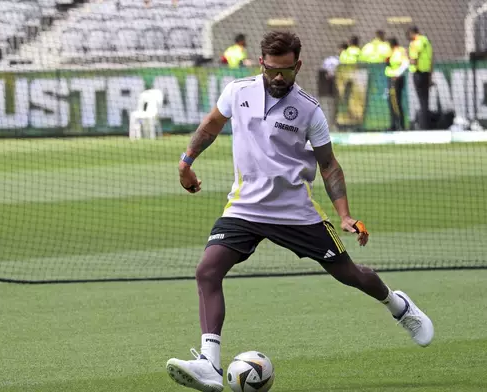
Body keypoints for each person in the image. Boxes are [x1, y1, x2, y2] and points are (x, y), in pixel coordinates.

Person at [166, 31, 434, 392]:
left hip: (296, 212)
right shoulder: (237, 92)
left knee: (349, 274)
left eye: (287, 71)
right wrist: (186, 162)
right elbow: (213, 124)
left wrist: (344, 215)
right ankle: (209, 364)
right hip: (244, 207)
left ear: (298, 66)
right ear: (261, 63)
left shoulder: (309, 109)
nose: (279, 77)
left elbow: (329, 165)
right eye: (273, 70)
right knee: (207, 271)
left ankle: (398, 305)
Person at [407, 26, 433, 130]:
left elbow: (414, 60)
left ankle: (423, 126)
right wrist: (431, 76)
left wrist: (406, 58)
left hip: (418, 73)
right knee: (425, 101)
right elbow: (431, 59)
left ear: (412, 33)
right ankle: (427, 125)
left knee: (421, 101)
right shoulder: (426, 41)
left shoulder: (415, 43)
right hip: (426, 73)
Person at [385, 37, 409, 131]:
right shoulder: (391, 52)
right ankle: (394, 124)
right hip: (390, 79)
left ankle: (401, 125)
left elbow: (405, 63)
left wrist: (397, 74)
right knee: (391, 102)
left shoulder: (400, 51)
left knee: (396, 103)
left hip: (396, 80)